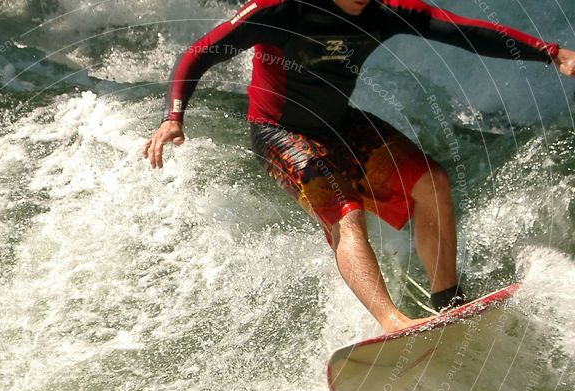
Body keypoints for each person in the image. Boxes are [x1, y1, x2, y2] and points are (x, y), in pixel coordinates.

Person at [143, 0, 575, 332]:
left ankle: (449, 301)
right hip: (278, 131)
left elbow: (465, 32)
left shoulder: (383, 10)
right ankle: (392, 321)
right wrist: (173, 116)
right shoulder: (283, 8)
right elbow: (201, 52)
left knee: (432, 181)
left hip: (339, 123)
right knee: (345, 214)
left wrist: (550, 53)